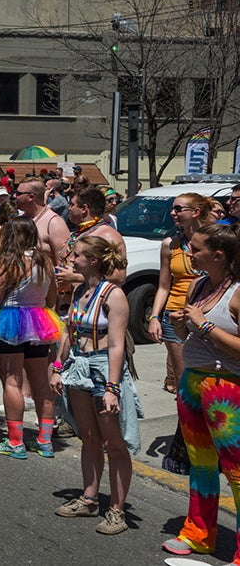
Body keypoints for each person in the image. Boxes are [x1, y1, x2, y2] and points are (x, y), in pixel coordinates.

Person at [50, 236, 137, 536]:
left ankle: (117, 510)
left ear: (94, 261)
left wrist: (112, 388)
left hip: (103, 371)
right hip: (79, 367)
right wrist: (59, 367)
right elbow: (67, 332)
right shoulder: (79, 291)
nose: (72, 260)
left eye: (77, 255)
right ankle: (89, 498)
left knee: (114, 443)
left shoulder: (113, 295)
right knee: (88, 437)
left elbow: (116, 345)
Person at [162, 224, 240, 557]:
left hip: (226, 388)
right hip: (193, 383)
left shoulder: (236, 292)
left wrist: (204, 323)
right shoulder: (199, 284)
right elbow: (187, 332)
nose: (188, 254)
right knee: (201, 465)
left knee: (237, 472)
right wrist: (182, 322)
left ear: (218, 255)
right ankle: (198, 533)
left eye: (195, 249)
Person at [0, 216, 64, 459]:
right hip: (39, 322)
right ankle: (45, 440)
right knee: (40, 382)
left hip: (9, 320)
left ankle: (15, 441)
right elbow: (52, 298)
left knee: (12, 380)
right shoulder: (45, 261)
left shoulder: (9, 261)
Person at [148, 193, 214, 395]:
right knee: (183, 378)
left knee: (210, 375)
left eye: (178, 209)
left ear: (196, 212)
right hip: (175, 315)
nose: (173, 213)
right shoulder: (171, 244)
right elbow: (163, 286)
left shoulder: (216, 241)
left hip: (208, 314)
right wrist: (154, 317)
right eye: (172, 208)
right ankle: (185, 424)